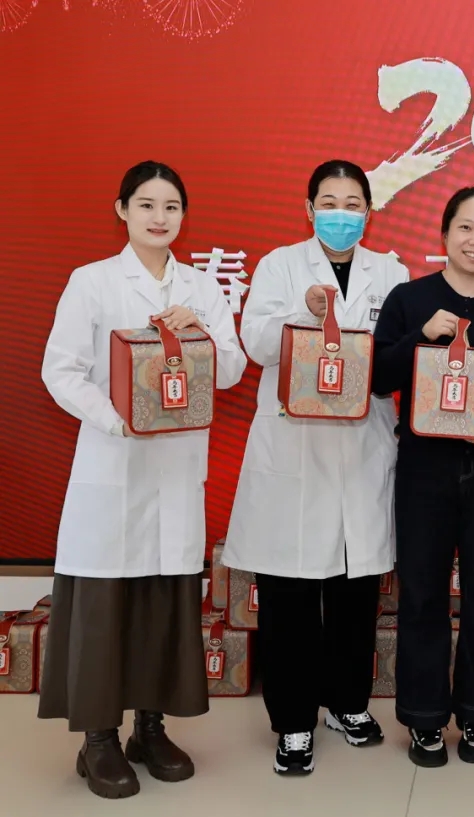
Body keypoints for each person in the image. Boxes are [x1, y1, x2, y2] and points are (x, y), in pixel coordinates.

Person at [38, 161, 247, 799]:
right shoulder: (93, 281)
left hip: (177, 469)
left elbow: (233, 368)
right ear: (122, 210)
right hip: (114, 463)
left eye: (172, 207)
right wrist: (116, 419)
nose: (160, 217)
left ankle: (149, 730)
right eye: (147, 205)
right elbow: (60, 370)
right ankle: (98, 739)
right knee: (105, 606)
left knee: (164, 598)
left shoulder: (202, 288)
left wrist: (200, 332)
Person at [223, 160, 408, 776]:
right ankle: (294, 721)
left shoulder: (391, 273)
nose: (340, 214)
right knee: (291, 596)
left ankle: (348, 704)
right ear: (308, 209)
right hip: (295, 446)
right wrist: (303, 313)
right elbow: (256, 343)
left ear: (369, 213)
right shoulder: (279, 266)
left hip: (362, 447)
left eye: (353, 204)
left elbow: (396, 357)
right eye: (328, 202)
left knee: (356, 592)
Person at [372, 185, 474, 768]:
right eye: (466, 227)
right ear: (444, 233)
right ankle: (424, 718)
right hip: (424, 469)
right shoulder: (409, 299)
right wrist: (421, 337)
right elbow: (377, 377)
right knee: (422, 595)